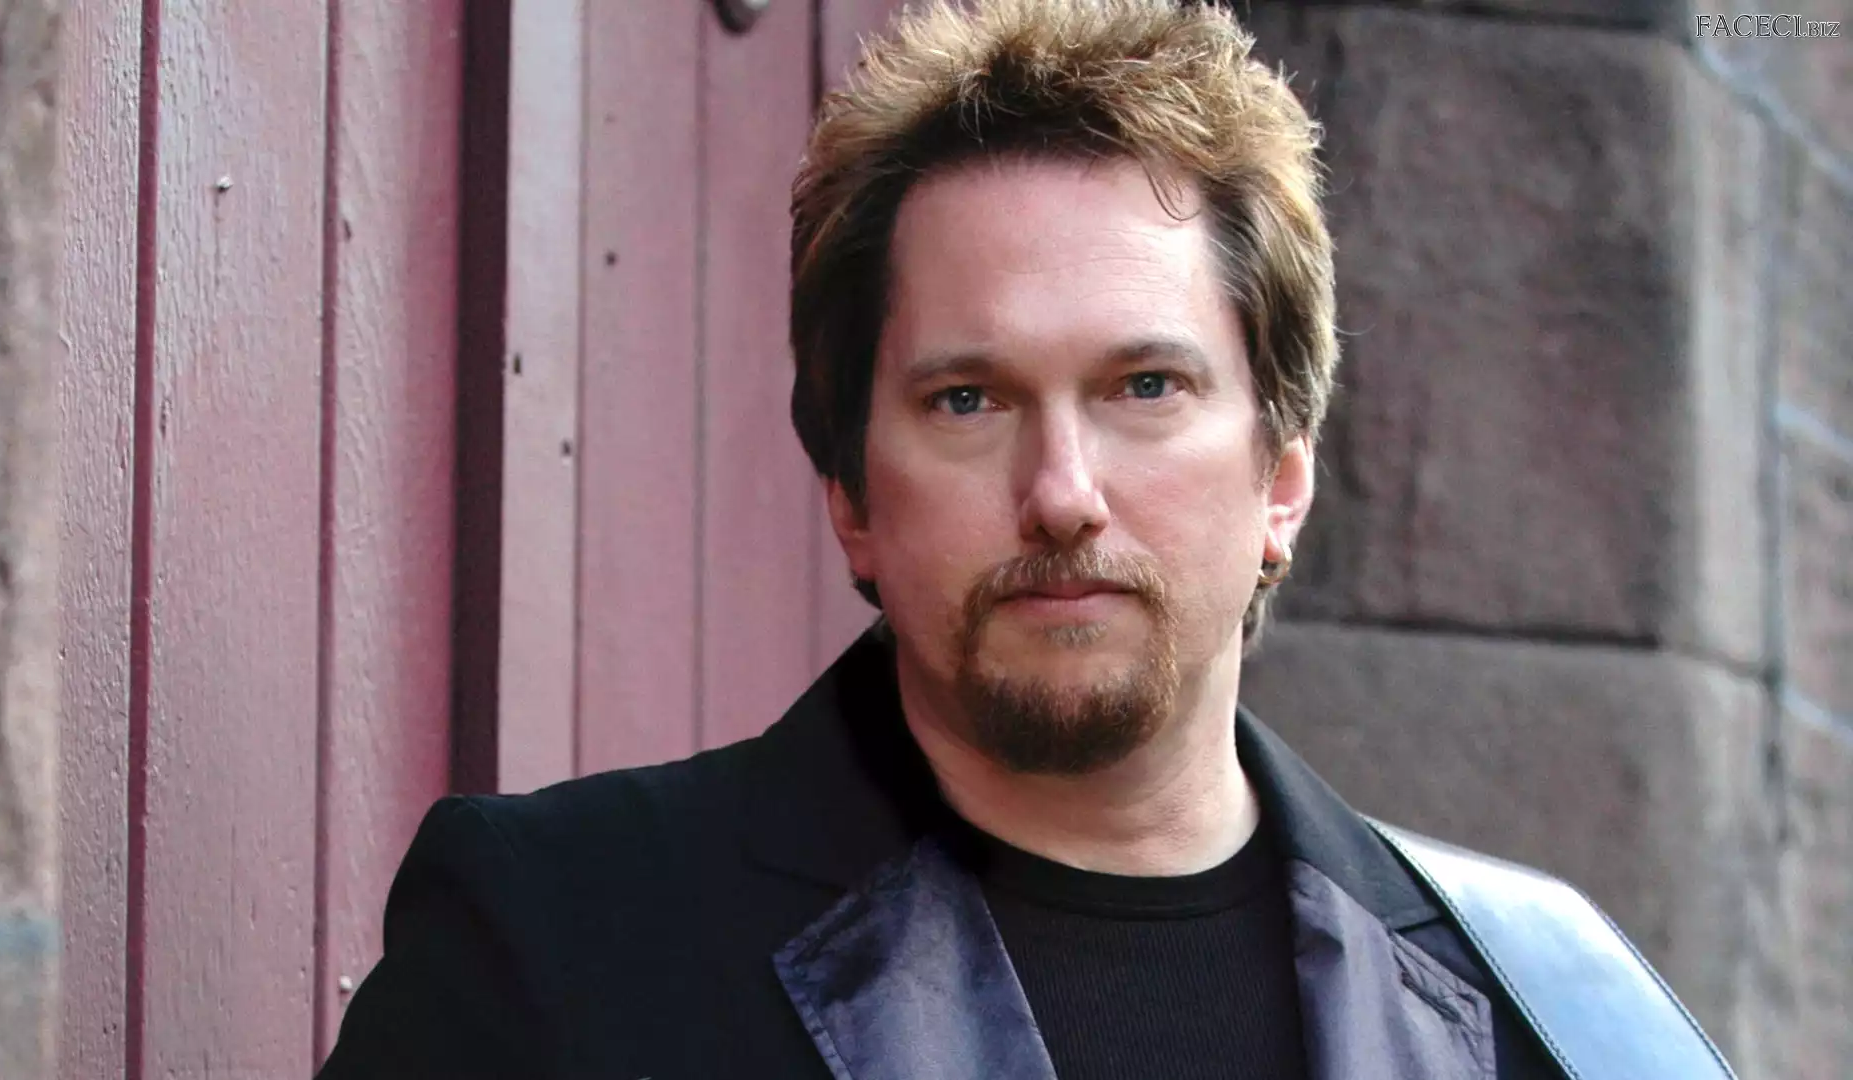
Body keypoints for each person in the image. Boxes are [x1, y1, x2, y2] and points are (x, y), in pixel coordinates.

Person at [317, 2, 1735, 1078]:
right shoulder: (557, 950)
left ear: (1283, 480)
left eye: (1145, 387)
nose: (1062, 492)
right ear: (853, 497)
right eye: (969, 399)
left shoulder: (1561, 1017)